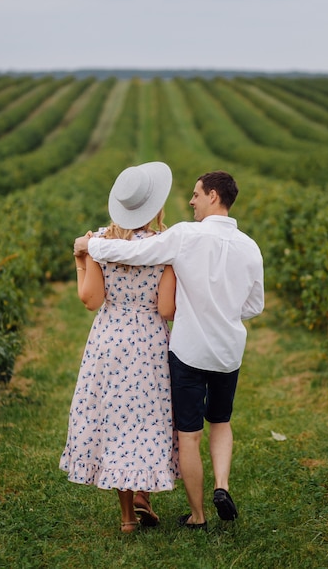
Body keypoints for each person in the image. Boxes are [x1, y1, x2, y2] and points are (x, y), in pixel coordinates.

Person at [74, 170, 264, 531]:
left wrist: (88, 247)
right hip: (222, 351)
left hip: (175, 348)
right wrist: (220, 308)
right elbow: (252, 305)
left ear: (212, 196)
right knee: (220, 422)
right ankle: (220, 486)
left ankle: (196, 515)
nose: (190, 201)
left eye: (195, 194)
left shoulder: (183, 236)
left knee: (185, 434)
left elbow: (129, 257)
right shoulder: (250, 246)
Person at [60, 161, 180, 534]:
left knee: (114, 417)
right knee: (146, 418)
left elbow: (91, 300)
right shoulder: (165, 246)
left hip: (110, 338)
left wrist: (82, 261)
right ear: (156, 207)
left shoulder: (99, 243)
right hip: (148, 340)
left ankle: (128, 516)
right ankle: (145, 493)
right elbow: (166, 308)